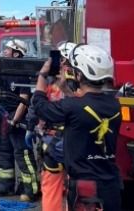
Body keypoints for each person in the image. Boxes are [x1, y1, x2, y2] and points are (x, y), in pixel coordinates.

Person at [31, 44, 123, 211]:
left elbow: (39, 106)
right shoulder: (114, 106)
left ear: (79, 75)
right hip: (111, 186)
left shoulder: (73, 107)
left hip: (87, 190)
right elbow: (85, 107)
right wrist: (67, 90)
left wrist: (43, 75)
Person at [36, 42, 75, 211]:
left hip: (53, 142)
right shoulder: (82, 83)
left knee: (51, 187)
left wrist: (42, 75)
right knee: (79, 188)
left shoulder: (50, 84)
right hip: (75, 143)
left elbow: (37, 105)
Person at [0, 39, 39, 202]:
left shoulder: (23, 72)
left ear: (16, 53)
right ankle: (5, 186)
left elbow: (24, 99)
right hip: (4, 116)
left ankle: (31, 189)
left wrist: (15, 120)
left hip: (17, 118)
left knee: (22, 153)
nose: (4, 51)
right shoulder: (3, 70)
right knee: (4, 152)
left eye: (7, 49)